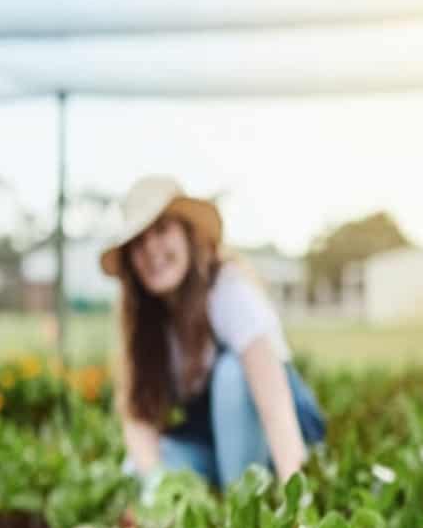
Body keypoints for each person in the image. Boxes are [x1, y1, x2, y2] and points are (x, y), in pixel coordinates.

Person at [102, 174, 325, 493]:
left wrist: (297, 495)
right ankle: (210, 501)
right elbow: (138, 418)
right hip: (219, 448)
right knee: (137, 465)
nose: (151, 249)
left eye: (162, 230)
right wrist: (155, 488)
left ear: (188, 235)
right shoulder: (148, 322)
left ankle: (243, 506)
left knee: (231, 374)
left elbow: (276, 409)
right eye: (138, 242)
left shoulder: (228, 290)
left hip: (280, 447)